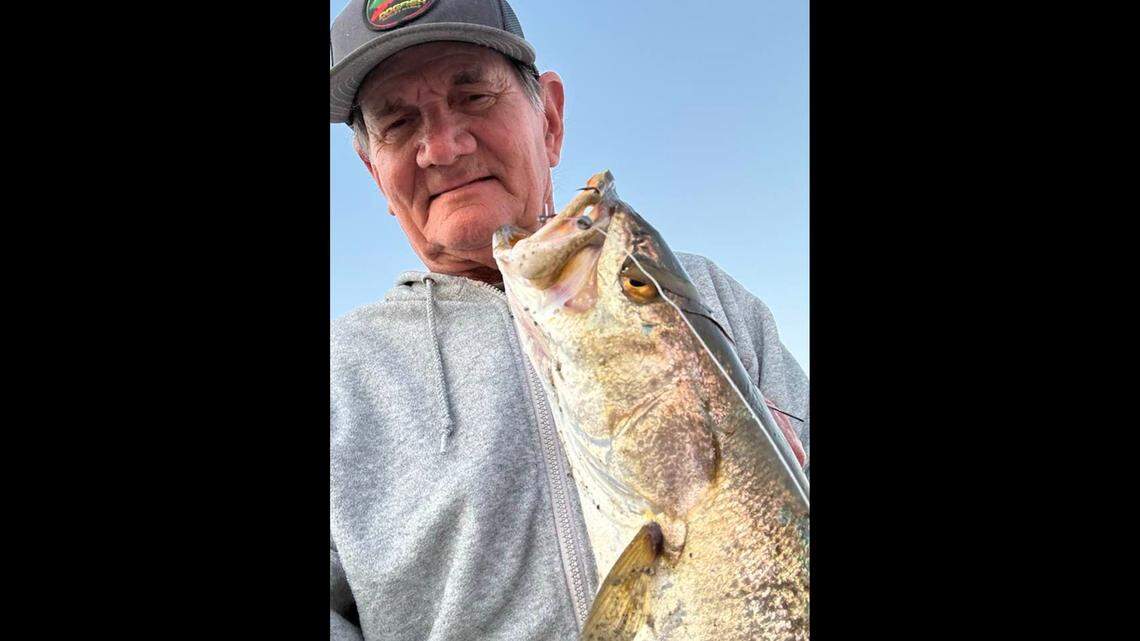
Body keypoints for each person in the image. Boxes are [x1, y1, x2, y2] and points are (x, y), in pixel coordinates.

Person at [329, 1, 810, 639]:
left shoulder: (709, 298)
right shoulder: (343, 371)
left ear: (549, 118)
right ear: (375, 173)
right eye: (398, 123)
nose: (442, 147)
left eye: (473, 95)